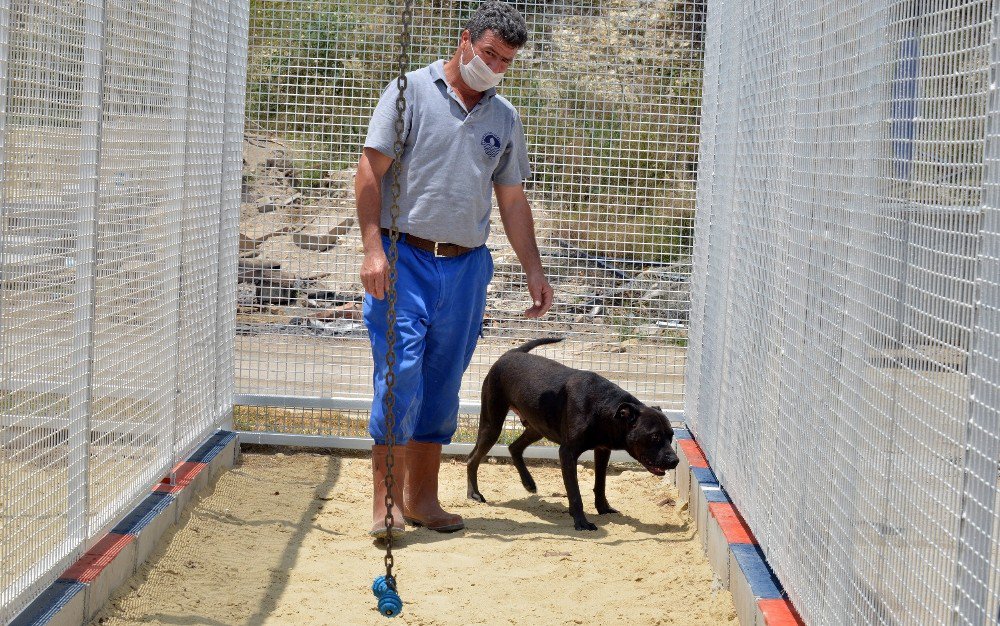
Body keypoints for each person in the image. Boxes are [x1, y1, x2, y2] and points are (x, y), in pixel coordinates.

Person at [356, 0, 553, 539]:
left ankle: (423, 499)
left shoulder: (503, 118)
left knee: (443, 384)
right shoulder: (409, 93)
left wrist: (533, 269)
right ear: (464, 40)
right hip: (405, 259)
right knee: (400, 377)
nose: (493, 67)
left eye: (505, 61)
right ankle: (386, 502)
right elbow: (370, 172)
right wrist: (373, 249)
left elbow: (512, 201)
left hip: (466, 269)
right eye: (488, 53)